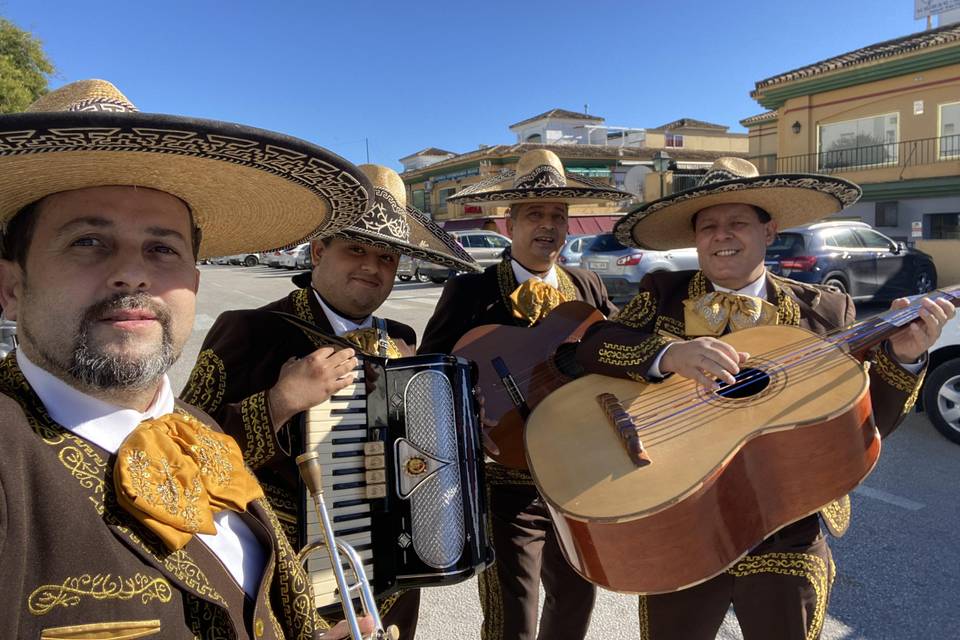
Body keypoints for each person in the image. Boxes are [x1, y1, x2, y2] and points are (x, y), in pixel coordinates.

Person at [0, 79, 379, 639]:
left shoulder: (198, 431)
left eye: (163, 248)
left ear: (194, 285)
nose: (135, 273)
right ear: (10, 288)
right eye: (87, 241)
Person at [573, 157, 954, 640]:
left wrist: (902, 360)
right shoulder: (663, 292)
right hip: (680, 521)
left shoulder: (826, 310)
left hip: (787, 524)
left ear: (768, 230)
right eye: (707, 225)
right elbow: (592, 347)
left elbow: (865, 424)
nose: (721, 235)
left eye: (737, 222)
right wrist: (668, 354)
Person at [181, 163, 480, 637]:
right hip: (287, 581)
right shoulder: (248, 331)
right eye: (356, 249)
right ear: (319, 250)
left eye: (387, 258)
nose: (372, 267)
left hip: (393, 575)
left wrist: (453, 418)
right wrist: (279, 401)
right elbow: (179, 459)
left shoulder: (400, 342)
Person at [418, 149, 629, 640]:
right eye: (535, 213)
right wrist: (466, 410)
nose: (549, 226)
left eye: (558, 215)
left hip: (578, 476)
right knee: (514, 616)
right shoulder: (469, 291)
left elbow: (618, 353)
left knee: (577, 601)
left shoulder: (588, 284)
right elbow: (429, 371)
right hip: (505, 478)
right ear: (507, 221)